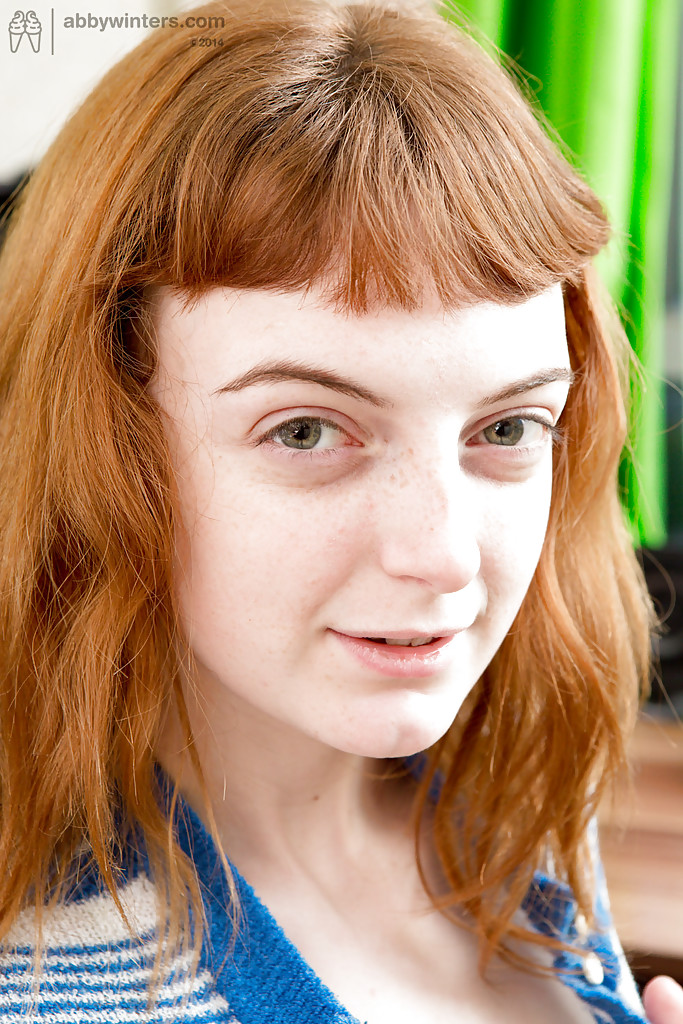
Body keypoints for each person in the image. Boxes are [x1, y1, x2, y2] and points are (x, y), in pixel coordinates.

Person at [0, 0, 681, 1020]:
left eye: (506, 427)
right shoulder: (52, 987)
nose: (444, 557)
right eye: (308, 431)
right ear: (103, 441)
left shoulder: (515, 807)